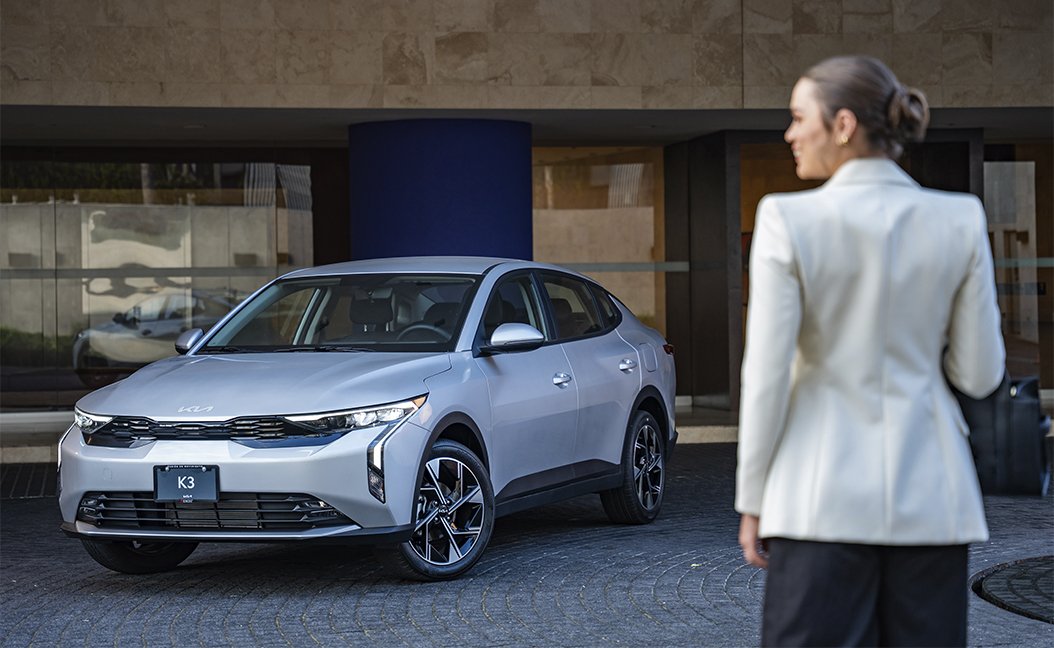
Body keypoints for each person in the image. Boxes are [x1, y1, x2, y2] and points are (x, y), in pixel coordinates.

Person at [735, 55, 1005, 647]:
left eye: (798, 116)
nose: (789, 133)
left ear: (843, 125)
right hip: (934, 498)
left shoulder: (786, 219)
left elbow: (766, 377)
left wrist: (752, 500)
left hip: (817, 499)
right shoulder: (961, 219)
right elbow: (981, 374)